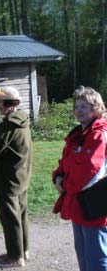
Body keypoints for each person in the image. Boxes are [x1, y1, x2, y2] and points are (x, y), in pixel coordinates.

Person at [52, 86, 107, 271]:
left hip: (94, 202)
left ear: (96, 108)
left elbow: (91, 171)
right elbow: (66, 161)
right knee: (82, 251)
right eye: (77, 106)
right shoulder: (77, 135)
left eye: (85, 106)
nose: (79, 110)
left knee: (96, 255)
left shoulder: (98, 135)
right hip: (77, 201)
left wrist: (65, 185)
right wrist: (58, 176)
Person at [0, 86, 32, 268]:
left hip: (8, 178)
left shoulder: (9, 125)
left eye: (0, 102)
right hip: (20, 175)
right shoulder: (22, 120)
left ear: (8, 104)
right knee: (21, 215)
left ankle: (15, 256)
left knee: (10, 218)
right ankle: (24, 250)